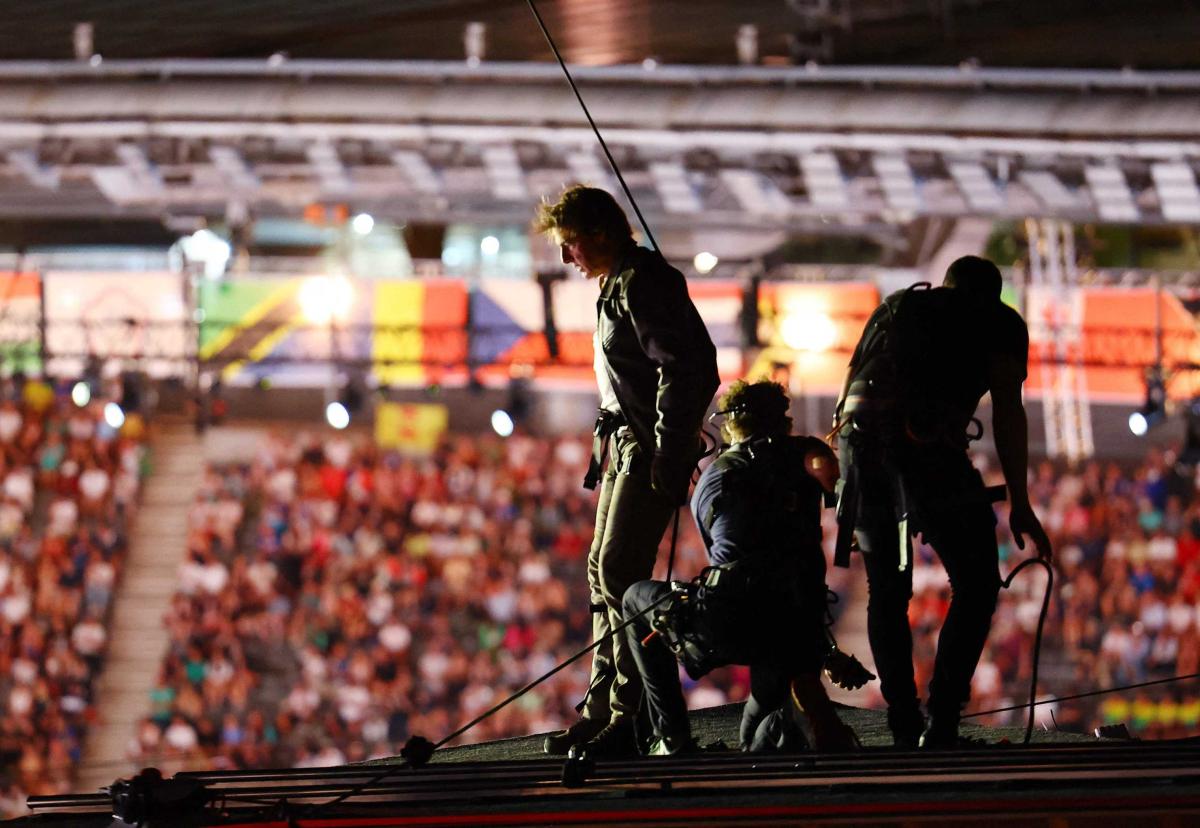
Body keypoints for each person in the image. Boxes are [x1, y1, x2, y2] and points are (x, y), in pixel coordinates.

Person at [832, 255, 1052, 749]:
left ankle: (904, 721)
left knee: (887, 591)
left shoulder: (896, 307)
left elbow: (849, 389)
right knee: (976, 581)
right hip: (926, 447)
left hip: (860, 452)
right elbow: (1008, 414)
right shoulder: (998, 323)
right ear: (991, 295)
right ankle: (944, 720)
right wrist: (1019, 499)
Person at [534, 185, 719, 757]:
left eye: (571, 245)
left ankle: (631, 713)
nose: (568, 259)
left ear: (601, 234)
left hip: (647, 448)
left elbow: (686, 369)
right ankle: (602, 708)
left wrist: (668, 449)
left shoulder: (644, 283)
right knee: (602, 571)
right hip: (627, 444)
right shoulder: (618, 286)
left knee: (620, 574)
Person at [622, 380, 866, 756]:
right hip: (797, 628)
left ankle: (672, 738)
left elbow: (727, 557)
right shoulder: (804, 451)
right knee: (757, 735)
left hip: (731, 616)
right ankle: (796, 713)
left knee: (635, 599)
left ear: (731, 425)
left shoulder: (715, 474)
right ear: (782, 420)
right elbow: (826, 468)